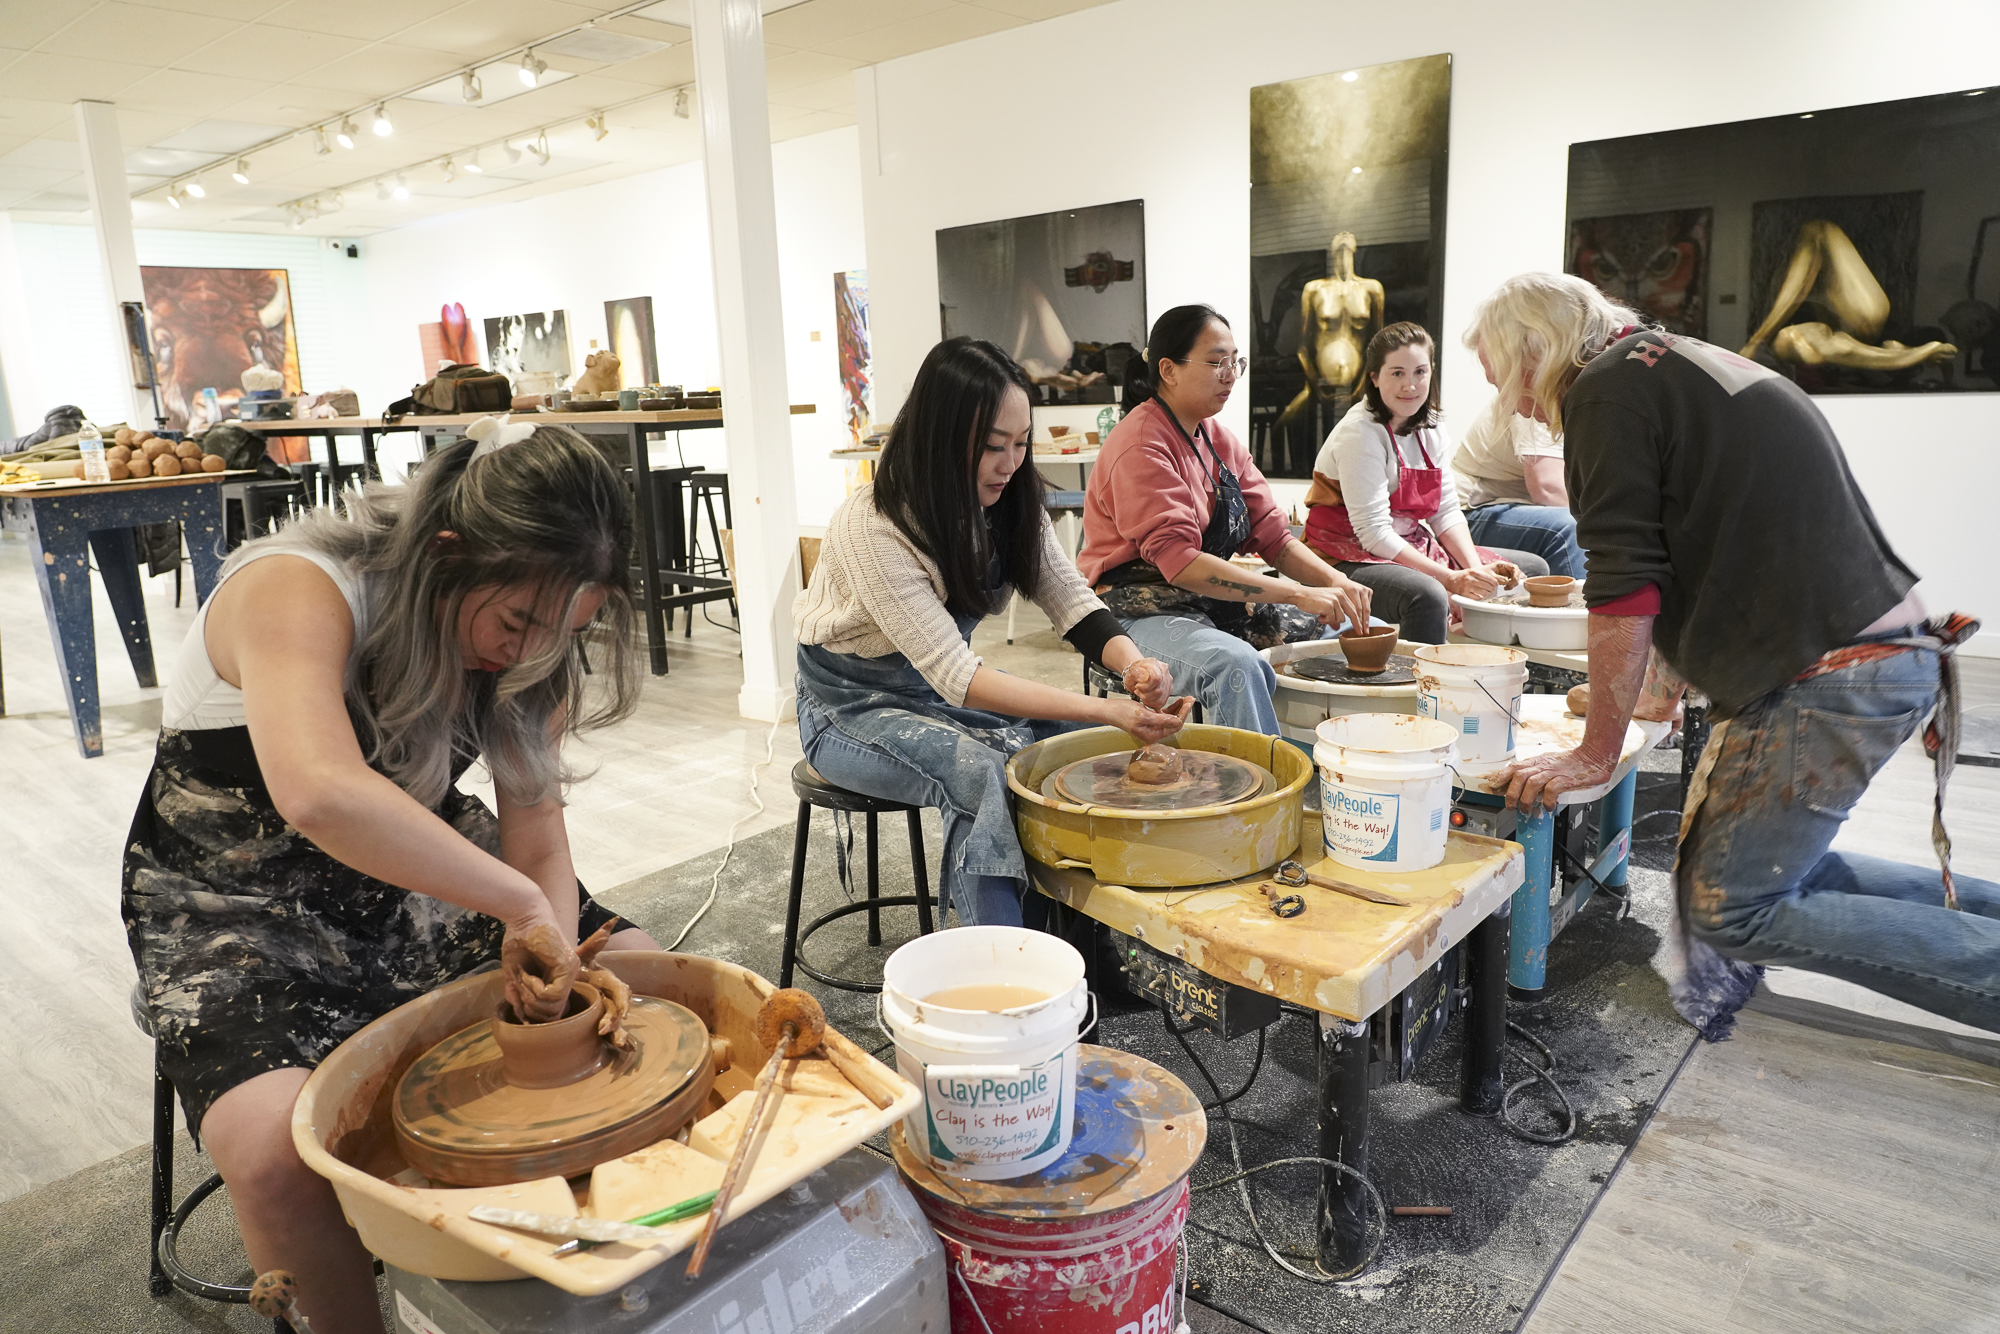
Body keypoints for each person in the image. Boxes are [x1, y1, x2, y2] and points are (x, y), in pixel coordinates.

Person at [121, 417, 658, 1333]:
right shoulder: (298, 584)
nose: (531, 651)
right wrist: (520, 906)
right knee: (277, 1152)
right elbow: (320, 792)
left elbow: (537, 842)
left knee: (646, 989)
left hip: (415, 875)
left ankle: (602, 1283)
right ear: (447, 553)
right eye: (517, 623)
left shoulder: (535, 640)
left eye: (561, 632)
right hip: (233, 900)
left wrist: (554, 960)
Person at [1468, 271, 1998, 1037]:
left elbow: (1625, 589)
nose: (1519, 407)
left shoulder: (1604, 393)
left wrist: (1594, 752)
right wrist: (1652, 699)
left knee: (1729, 910)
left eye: (1508, 383)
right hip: (1881, 652)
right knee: (1778, 867)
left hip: (1827, 676)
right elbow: (1685, 553)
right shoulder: (1663, 362)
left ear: (1536, 350)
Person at [795, 338, 1189, 929]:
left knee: (1070, 740)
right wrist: (1107, 708)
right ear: (939, 439)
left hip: (930, 688)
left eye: (1021, 443)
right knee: (979, 772)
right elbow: (956, 675)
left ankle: (1080, 937)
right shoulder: (872, 525)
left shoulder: (1010, 500)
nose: (1010, 463)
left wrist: (1134, 664)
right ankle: (1004, 960)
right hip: (847, 706)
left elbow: (1069, 597)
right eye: (991, 446)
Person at [1076, 304, 1373, 734]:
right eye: (1217, 362)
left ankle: (1336, 756)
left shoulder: (1216, 439)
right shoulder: (1141, 444)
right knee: (1235, 665)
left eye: (1236, 362)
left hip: (1202, 600)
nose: (1230, 375)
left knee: (1354, 629)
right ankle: (1261, 774)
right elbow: (1181, 564)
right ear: (1168, 370)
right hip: (1132, 612)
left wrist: (1336, 582)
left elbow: (1273, 536)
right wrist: (1297, 593)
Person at [1301, 322, 1548, 644]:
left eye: (1420, 372)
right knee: (1428, 593)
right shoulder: (1359, 433)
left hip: (1404, 543)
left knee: (1531, 569)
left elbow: (1445, 511)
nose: (1410, 385)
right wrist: (1450, 578)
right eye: (1397, 373)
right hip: (1342, 554)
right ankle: (1423, 674)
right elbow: (1373, 533)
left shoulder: (1431, 426)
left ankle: (1499, 668)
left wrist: (1474, 570)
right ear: (1374, 378)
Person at [1451, 405, 1585, 578]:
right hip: (1470, 513)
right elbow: (1548, 489)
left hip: (1524, 509)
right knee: (1571, 526)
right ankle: (1585, 596)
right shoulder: (1534, 402)